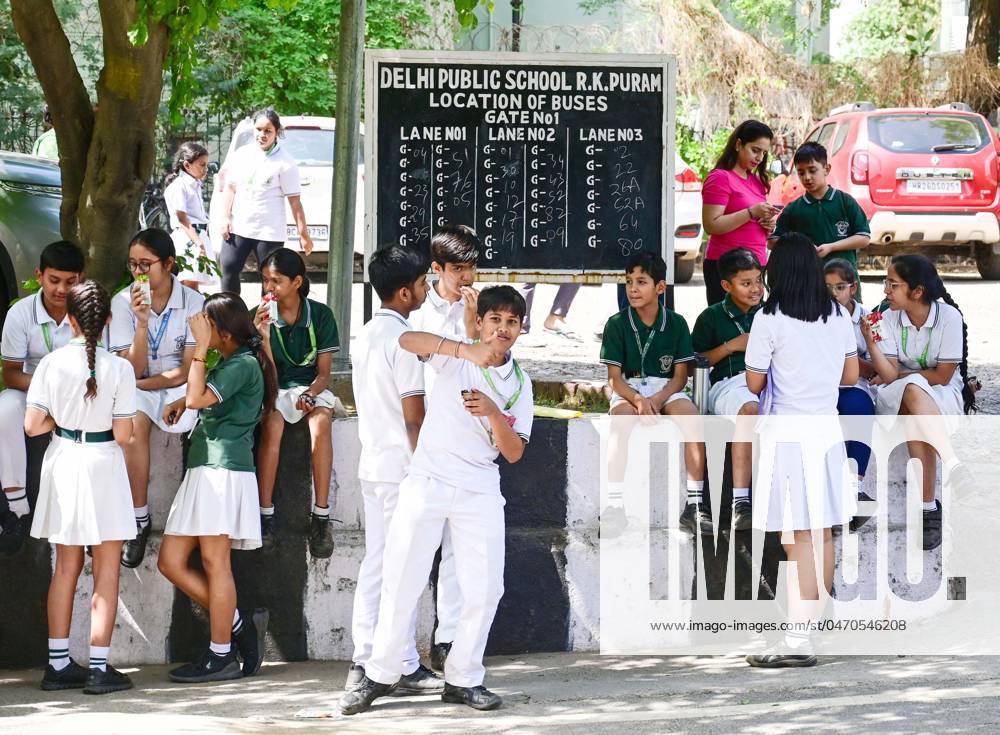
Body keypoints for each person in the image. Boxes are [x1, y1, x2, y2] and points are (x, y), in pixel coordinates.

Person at [340, 286, 532, 716]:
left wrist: (492, 412)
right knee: (401, 576)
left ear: (521, 329)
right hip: (426, 480)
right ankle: (380, 673)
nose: (502, 329)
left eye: (511, 322)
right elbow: (407, 340)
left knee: (485, 588)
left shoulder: (520, 382)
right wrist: (465, 349)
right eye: (495, 319)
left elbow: (515, 451)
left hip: (480, 485)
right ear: (480, 321)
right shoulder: (452, 355)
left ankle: (464, 679)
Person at [743, 232, 859, 668]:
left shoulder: (768, 318)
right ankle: (811, 626)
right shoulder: (837, 314)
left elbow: (754, 383)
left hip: (788, 432)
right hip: (826, 429)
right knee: (823, 533)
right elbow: (850, 375)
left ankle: (798, 638)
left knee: (798, 539)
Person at [157, 293, 276, 683]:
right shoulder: (232, 363)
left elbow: (197, 396)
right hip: (207, 469)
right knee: (170, 561)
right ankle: (237, 624)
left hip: (221, 471)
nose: (200, 332)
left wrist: (198, 353)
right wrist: (183, 398)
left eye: (207, 327)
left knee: (215, 564)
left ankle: (221, 653)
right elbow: (197, 398)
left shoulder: (241, 364)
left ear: (222, 331)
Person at [26, 281, 137, 694]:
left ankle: (57, 665)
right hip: (103, 464)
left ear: (69, 319)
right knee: (106, 572)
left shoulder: (51, 364)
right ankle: (98, 668)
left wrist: (64, 423)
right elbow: (124, 434)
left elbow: (33, 425)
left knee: (65, 568)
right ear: (107, 319)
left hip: (64, 461)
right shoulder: (121, 369)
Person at [346, 245, 442, 695]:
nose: (427, 289)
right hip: (403, 467)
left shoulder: (366, 334)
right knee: (398, 568)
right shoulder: (403, 342)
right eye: (424, 284)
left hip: (375, 464)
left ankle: (371, 657)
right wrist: (427, 465)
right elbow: (414, 416)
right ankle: (391, 662)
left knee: (381, 565)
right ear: (405, 292)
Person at [110, 228, 205, 569]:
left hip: (176, 383)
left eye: (146, 265)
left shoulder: (193, 302)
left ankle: (196, 524)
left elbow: (187, 367)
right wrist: (140, 323)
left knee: (198, 422)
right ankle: (139, 520)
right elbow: (127, 370)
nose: (138, 272)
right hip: (138, 383)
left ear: (169, 265)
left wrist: (147, 383)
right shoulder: (122, 303)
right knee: (133, 428)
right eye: (133, 264)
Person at [407, 224, 479, 672]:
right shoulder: (418, 312)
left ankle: (448, 638)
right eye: (458, 269)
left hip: (467, 440)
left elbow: (489, 362)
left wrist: (474, 323)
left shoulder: (482, 306)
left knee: (458, 547)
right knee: (413, 546)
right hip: (425, 440)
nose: (467, 277)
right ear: (437, 269)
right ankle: (398, 647)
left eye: (472, 267)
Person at [870, 254, 977, 551]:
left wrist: (905, 376)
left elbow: (943, 376)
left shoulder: (949, 317)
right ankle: (952, 464)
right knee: (913, 389)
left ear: (917, 291)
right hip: (899, 392)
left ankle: (928, 507)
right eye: (886, 283)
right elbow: (889, 374)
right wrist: (871, 342)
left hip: (939, 393)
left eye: (893, 284)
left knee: (917, 414)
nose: (885, 290)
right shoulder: (887, 318)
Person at [598, 251, 707, 535]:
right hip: (629, 387)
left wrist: (657, 399)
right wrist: (636, 399)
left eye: (641, 282)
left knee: (692, 420)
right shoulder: (616, 324)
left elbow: (680, 377)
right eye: (629, 281)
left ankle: (695, 505)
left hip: (665, 388)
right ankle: (614, 506)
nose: (632, 288)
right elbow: (614, 379)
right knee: (621, 423)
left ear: (660, 287)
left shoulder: (677, 323)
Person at [251, 248, 339, 558]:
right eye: (265, 281)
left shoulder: (321, 315)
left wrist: (310, 394)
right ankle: (265, 515)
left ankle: (321, 516)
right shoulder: (259, 316)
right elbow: (268, 375)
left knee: (322, 423)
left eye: (276, 281)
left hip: (312, 387)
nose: (269, 288)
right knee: (272, 425)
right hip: (276, 387)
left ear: (297, 281)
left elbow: (325, 374)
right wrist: (262, 336)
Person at [0, 241, 84, 555]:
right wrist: (48, 385)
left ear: (81, 278)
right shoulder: (20, 313)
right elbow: (10, 373)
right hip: (31, 391)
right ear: (39, 276)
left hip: (78, 397)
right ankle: (18, 505)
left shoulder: (86, 312)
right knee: (5, 407)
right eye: (54, 280)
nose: (61, 289)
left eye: (70, 281)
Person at [691, 248, 765, 531]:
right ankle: (740, 503)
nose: (756, 289)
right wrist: (732, 345)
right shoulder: (711, 317)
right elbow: (695, 362)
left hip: (767, 382)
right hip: (729, 383)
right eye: (746, 283)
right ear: (726, 285)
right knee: (749, 410)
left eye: (759, 280)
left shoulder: (770, 312)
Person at [823, 259, 894, 531]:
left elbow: (885, 361)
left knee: (859, 412)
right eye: (827, 287)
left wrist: (867, 368)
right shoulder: (817, 316)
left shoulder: (872, 318)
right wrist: (860, 365)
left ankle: (854, 487)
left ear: (853, 287)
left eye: (840, 287)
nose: (833, 294)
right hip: (825, 387)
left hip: (855, 387)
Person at [217, 108, 313, 294]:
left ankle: (266, 320)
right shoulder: (242, 154)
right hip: (239, 227)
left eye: (268, 131)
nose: (262, 135)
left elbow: (295, 202)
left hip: (269, 231)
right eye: (258, 129)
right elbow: (230, 188)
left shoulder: (285, 162)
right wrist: (225, 217)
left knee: (270, 279)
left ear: (277, 132)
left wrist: (304, 234)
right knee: (228, 269)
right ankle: (230, 317)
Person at [770, 142, 870, 297]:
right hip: (808, 285)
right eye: (801, 172)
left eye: (812, 170)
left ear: (826, 169)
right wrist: (801, 246)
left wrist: (832, 247)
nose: (807, 177)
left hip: (844, 285)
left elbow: (863, 238)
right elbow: (772, 242)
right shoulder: (794, 209)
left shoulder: (845, 201)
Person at [701, 120, 780, 306]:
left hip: (756, 264)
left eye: (764, 152)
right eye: (755, 150)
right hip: (727, 267)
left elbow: (753, 222)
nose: (760, 157)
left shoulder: (756, 180)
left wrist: (768, 224)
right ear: (738, 144)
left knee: (754, 329)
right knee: (726, 328)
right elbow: (711, 224)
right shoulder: (721, 177)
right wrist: (751, 212)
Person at [164, 141, 217, 291]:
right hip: (188, 239)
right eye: (202, 165)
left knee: (193, 286)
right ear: (187, 165)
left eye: (206, 165)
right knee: (189, 285)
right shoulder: (180, 186)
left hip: (198, 236)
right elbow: (182, 218)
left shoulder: (194, 185)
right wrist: (198, 243)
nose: (206, 169)